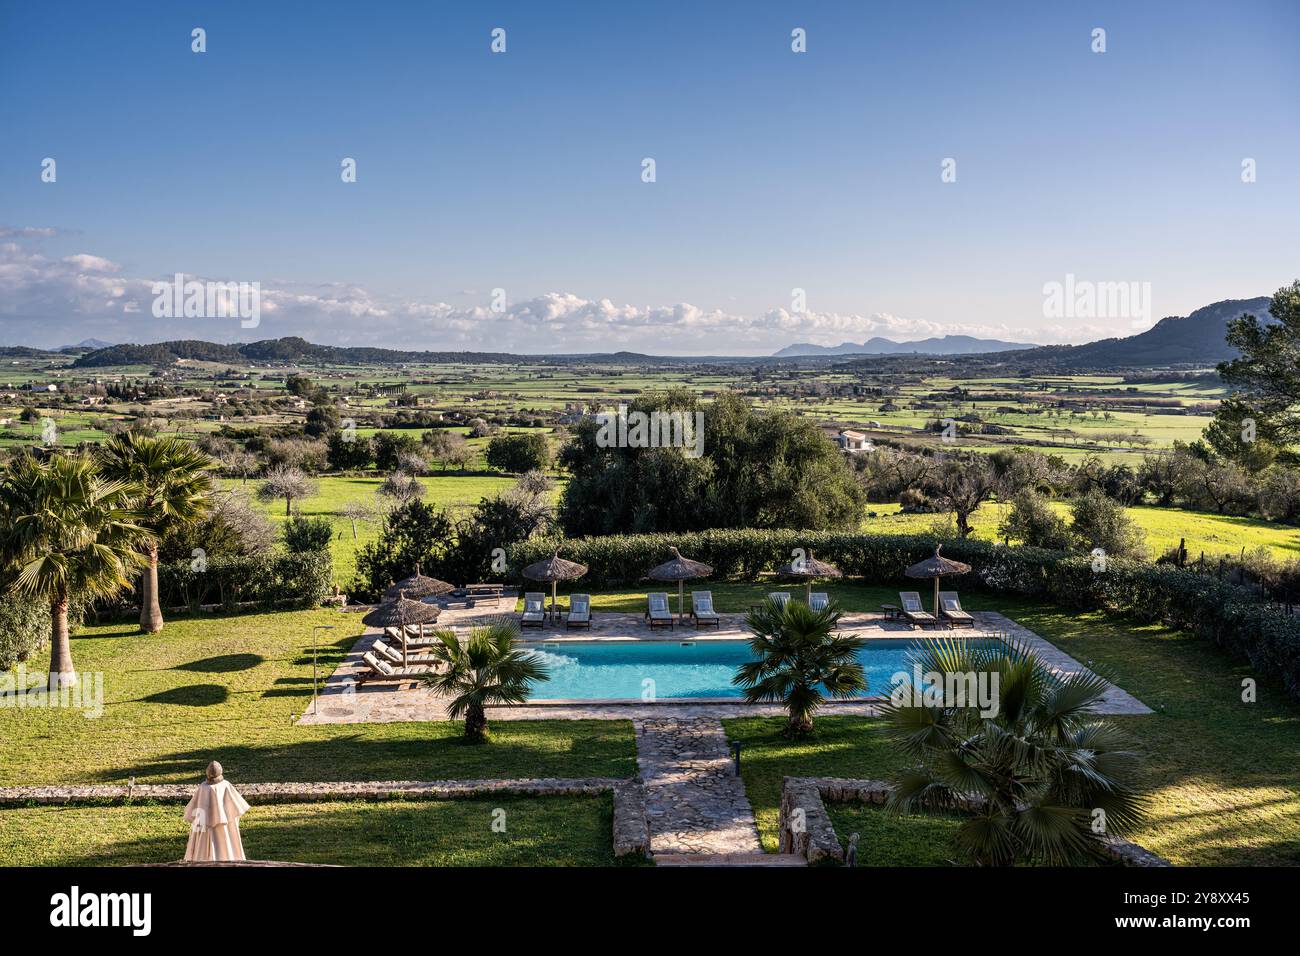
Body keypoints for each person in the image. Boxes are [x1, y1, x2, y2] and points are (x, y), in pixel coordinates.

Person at [182, 760, 251, 861]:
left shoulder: (205, 787)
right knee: (223, 839)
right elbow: (235, 810)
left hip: (216, 825)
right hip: (210, 826)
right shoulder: (220, 786)